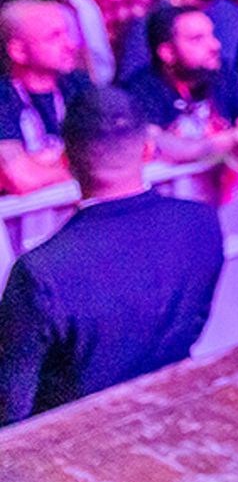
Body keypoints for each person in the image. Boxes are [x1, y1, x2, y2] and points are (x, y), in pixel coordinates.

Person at [0, 88, 224, 424]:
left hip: (75, 450)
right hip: (175, 420)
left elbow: (10, 407)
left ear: (66, 161)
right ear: (147, 150)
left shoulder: (40, 273)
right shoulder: (200, 223)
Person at [123, 5, 238, 177]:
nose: (215, 45)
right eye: (197, 39)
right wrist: (229, 141)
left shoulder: (221, 72)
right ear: (167, 52)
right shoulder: (141, 90)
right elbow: (161, 145)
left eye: (212, 35)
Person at [0, 0, 89, 194]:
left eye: (67, 33)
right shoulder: (3, 99)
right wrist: (80, 165)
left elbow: (122, 159)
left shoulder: (81, 85)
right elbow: (22, 179)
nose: (70, 45)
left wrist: (46, 164)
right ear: (19, 51)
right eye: (54, 37)